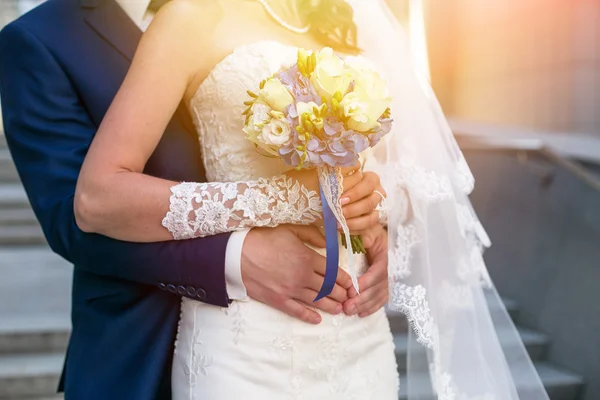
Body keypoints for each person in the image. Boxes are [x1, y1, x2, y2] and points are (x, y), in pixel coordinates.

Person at [0, 0, 391, 398]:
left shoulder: (306, 15)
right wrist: (237, 255)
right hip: (160, 340)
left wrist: (372, 222)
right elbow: (77, 219)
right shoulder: (40, 39)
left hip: (346, 328)